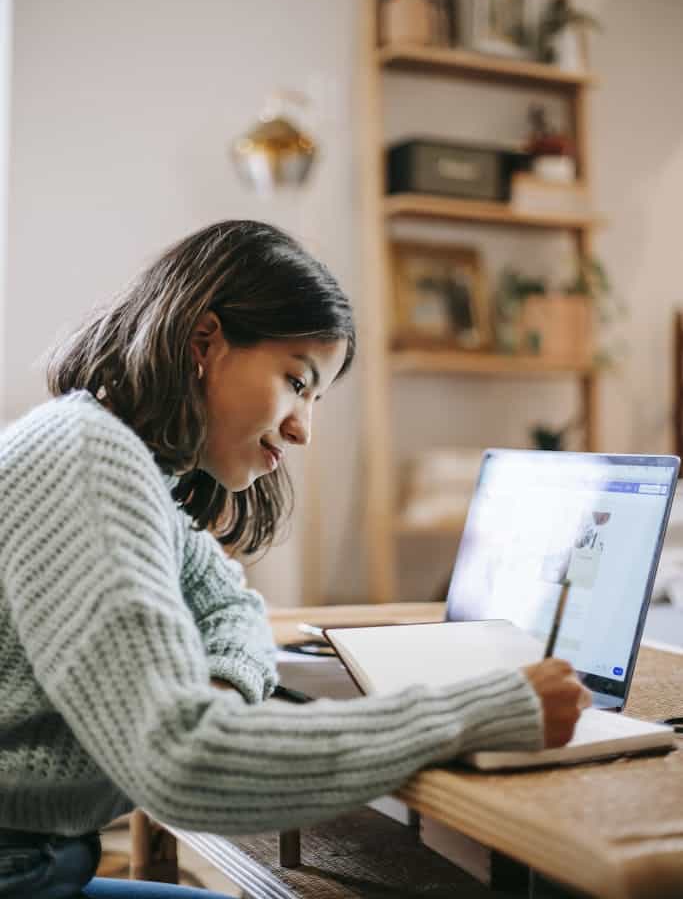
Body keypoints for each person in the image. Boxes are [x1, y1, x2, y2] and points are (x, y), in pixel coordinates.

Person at [0, 220, 591, 898]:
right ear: (204, 341)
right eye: (296, 381)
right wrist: (477, 709)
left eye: (314, 398)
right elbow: (185, 768)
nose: (302, 429)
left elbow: (230, 602)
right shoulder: (87, 460)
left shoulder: (125, 466)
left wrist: (219, 690)